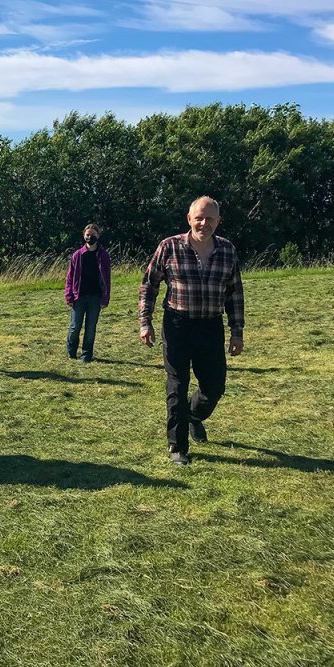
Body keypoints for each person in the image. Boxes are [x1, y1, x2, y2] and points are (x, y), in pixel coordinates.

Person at [139, 196, 244, 466]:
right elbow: (149, 285)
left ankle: (194, 416)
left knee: (214, 386)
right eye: (198, 217)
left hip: (210, 325)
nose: (203, 223)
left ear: (218, 221)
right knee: (177, 384)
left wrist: (236, 331)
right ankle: (178, 446)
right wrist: (144, 321)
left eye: (210, 218)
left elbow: (234, 294)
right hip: (177, 325)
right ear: (189, 219)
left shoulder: (228, 251)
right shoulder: (169, 247)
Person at [64, 223, 111, 362]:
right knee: (75, 326)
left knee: (90, 328)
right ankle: (71, 351)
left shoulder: (103, 255)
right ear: (84, 236)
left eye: (93, 235)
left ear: (98, 236)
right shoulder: (77, 255)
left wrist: (105, 298)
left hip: (95, 297)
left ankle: (86, 355)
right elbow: (70, 277)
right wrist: (69, 295)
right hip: (78, 296)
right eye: (87, 235)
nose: (90, 237)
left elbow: (107, 279)